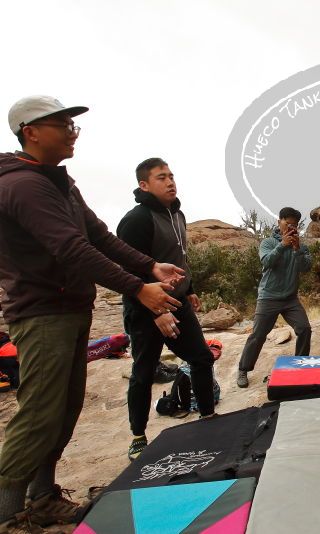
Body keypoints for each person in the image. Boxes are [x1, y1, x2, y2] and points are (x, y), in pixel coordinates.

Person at [0, 95, 185, 531]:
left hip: (70, 308)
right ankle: (7, 514)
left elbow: (99, 236)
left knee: (64, 411)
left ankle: (42, 498)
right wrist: (139, 288)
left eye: (73, 125)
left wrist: (148, 265)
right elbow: (70, 247)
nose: (71, 132)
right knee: (40, 413)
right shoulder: (22, 185)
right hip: (42, 314)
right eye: (63, 124)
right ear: (31, 132)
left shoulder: (59, 183)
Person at [117, 158, 217, 461]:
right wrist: (156, 312)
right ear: (144, 185)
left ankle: (208, 418)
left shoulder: (178, 214)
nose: (170, 181)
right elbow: (129, 272)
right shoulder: (137, 220)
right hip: (145, 309)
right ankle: (138, 436)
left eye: (171, 175)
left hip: (178, 303)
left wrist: (191, 288)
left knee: (201, 357)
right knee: (144, 372)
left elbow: (180, 258)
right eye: (162, 177)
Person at [237, 207, 312, 388]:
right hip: (268, 297)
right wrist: (282, 245)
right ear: (279, 222)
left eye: (294, 224)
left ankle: (300, 366)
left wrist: (296, 249)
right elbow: (266, 261)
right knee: (258, 335)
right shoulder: (268, 242)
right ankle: (243, 370)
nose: (291, 227)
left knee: (304, 329)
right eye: (287, 223)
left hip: (290, 299)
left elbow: (306, 267)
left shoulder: (301, 246)